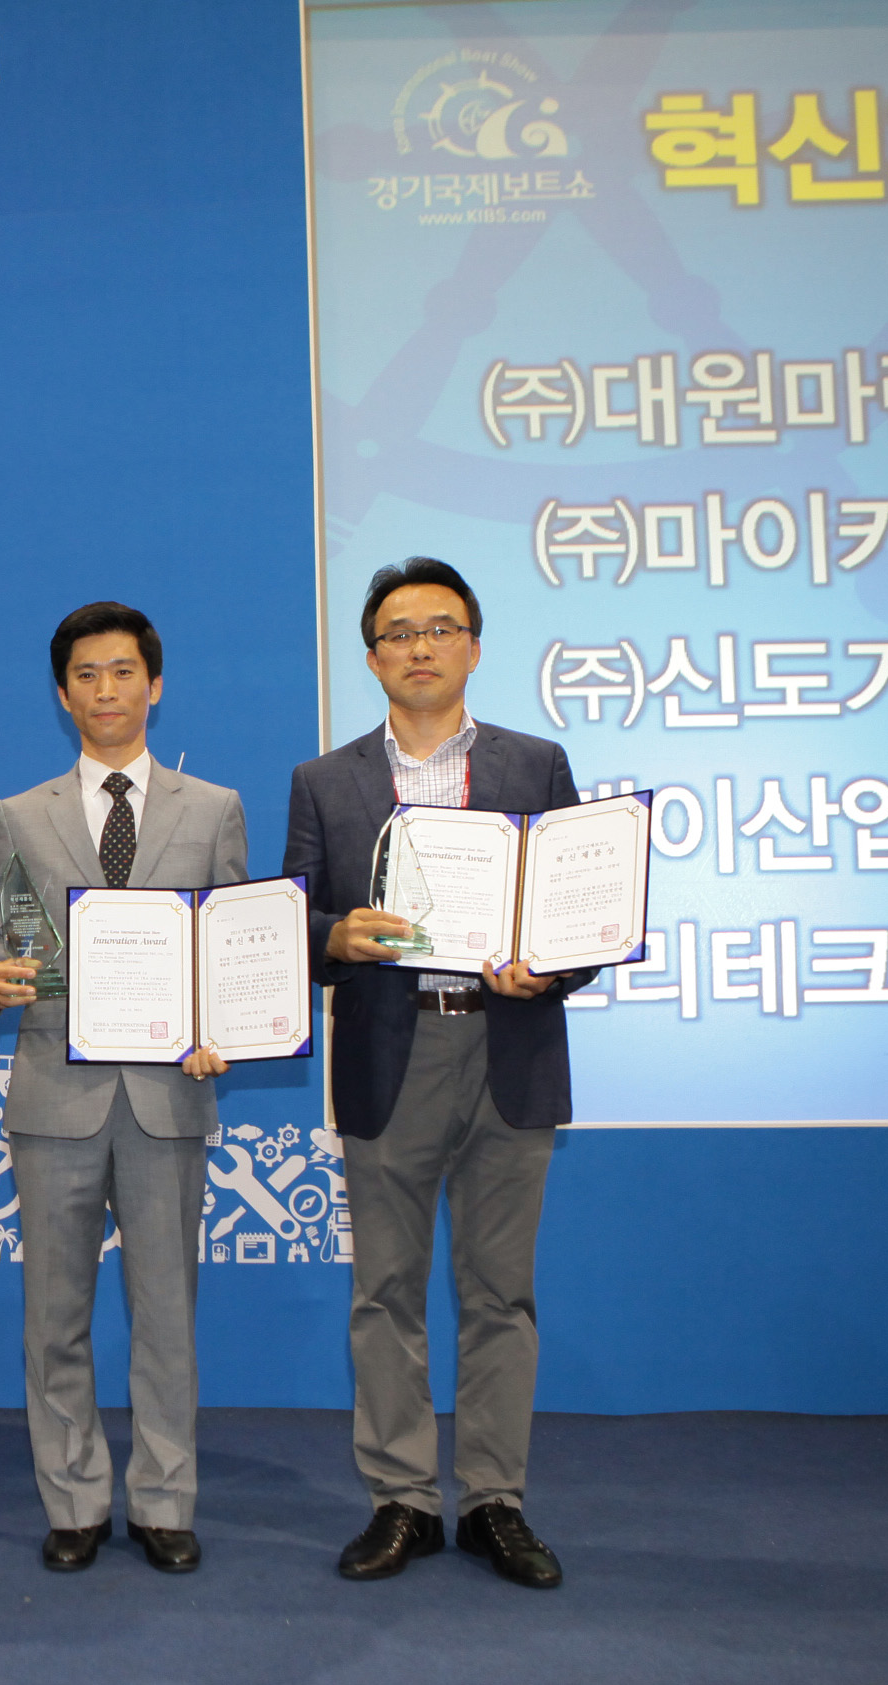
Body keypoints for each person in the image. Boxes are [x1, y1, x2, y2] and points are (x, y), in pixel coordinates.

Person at [285, 557, 595, 1589]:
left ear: (473, 646)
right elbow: (292, 919)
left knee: (502, 1292)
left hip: (508, 1047)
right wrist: (336, 935)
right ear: (372, 657)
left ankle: (496, 1499)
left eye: (440, 628)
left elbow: (581, 910)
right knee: (386, 1292)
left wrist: (551, 962)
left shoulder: (536, 764)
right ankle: (403, 1501)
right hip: (390, 1050)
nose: (420, 647)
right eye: (399, 633)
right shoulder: (325, 781)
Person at [0, 603, 247, 1574]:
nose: (106, 689)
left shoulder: (213, 808)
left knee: (167, 1317)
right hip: (56, 1094)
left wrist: (225, 1028)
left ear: (154, 685)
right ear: (62, 693)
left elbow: (233, 949)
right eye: (86, 674)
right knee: (56, 1318)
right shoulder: (21, 813)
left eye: (124, 671)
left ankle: (165, 1500)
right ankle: (75, 1499)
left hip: (169, 1096)